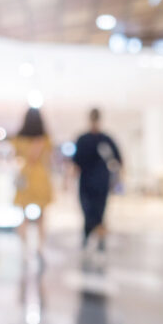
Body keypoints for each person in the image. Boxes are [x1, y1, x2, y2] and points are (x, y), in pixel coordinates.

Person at [72, 108, 122, 251]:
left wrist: (118, 179)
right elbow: (76, 163)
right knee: (87, 210)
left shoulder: (106, 139)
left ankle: (100, 238)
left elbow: (118, 160)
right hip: (86, 182)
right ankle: (90, 234)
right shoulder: (83, 139)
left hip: (101, 182)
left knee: (99, 211)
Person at [12, 108, 53, 250]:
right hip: (40, 177)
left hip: (26, 176)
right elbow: (49, 156)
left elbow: (16, 155)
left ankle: (23, 246)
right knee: (42, 215)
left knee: (23, 215)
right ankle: (40, 246)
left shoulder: (19, 139)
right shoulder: (44, 139)